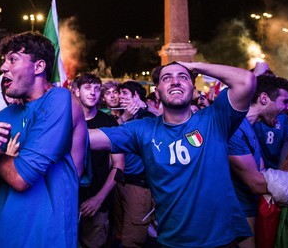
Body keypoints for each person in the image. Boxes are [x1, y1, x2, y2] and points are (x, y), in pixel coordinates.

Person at [89, 61, 257, 247]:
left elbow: (246, 80)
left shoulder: (215, 119)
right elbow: (86, 138)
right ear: (158, 91)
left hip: (221, 240)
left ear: (193, 90)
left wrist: (194, 65)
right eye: (167, 78)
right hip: (172, 241)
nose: (175, 81)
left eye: (183, 77)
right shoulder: (142, 129)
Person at [0, 32, 83, 248]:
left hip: (46, 237)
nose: (3, 67)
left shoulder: (61, 99)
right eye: (4, 60)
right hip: (1, 234)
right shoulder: (3, 117)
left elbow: (20, 178)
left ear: (38, 67)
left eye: (13, 59)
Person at [228, 75, 288, 247]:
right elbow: (255, 183)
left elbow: (261, 172)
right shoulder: (235, 128)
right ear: (264, 98)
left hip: (249, 207)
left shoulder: (249, 128)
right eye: (285, 101)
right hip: (236, 212)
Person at [73, 73, 123, 248]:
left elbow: (119, 165)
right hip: (68, 201)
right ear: (76, 92)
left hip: (97, 204)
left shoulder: (108, 122)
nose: (93, 93)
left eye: (96, 88)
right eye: (87, 88)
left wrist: (99, 199)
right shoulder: (66, 121)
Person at [111, 80, 156, 247]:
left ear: (136, 96)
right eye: (119, 93)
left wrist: (144, 108)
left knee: (133, 239)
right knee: (119, 234)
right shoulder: (120, 116)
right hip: (119, 181)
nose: (120, 97)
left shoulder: (148, 118)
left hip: (138, 184)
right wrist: (124, 118)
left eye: (125, 94)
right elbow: (111, 138)